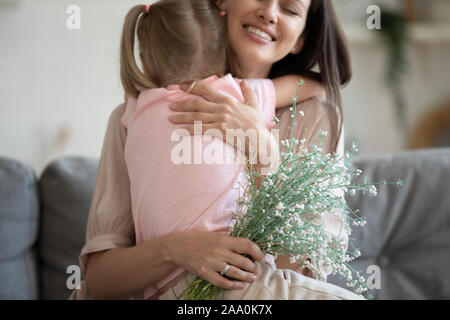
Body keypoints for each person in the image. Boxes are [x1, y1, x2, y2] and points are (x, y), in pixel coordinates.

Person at [70, 0, 357, 300]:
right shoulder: (131, 117)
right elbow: (100, 282)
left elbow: (295, 274)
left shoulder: (315, 117)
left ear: (300, 39)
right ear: (223, 3)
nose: (269, 13)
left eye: (290, 8)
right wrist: (176, 250)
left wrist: (263, 154)